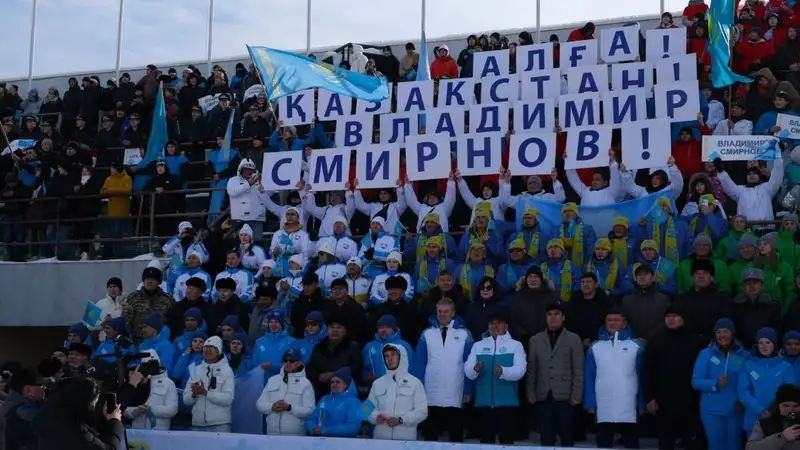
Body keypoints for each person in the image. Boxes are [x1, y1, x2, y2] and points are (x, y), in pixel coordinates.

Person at [642, 306, 707, 450]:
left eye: (675, 316)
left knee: (692, 441)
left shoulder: (696, 340)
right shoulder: (656, 341)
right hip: (664, 401)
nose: (671, 319)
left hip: (690, 401)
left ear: (683, 318)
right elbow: (647, 371)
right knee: (666, 441)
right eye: (668, 316)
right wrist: (649, 398)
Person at [412, 297, 474, 442]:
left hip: (455, 391)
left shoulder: (465, 334)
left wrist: (468, 390)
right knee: (430, 436)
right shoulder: (426, 333)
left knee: (455, 436)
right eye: (439, 311)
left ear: (453, 313)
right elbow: (419, 363)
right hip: (431, 391)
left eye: (446, 311)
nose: (442, 314)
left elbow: (470, 364)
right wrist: (418, 388)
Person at [584, 309, 644, 449]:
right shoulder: (595, 347)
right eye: (609, 320)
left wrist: (641, 403)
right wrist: (590, 402)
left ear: (624, 323)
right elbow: (589, 375)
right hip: (603, 405)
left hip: (629, 405)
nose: (612, 323)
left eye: (616, 320)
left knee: (631, 444)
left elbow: (642, 376)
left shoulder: (636, 346)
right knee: (604, 443)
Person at [464, 311, 527, 445]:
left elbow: (520, 370)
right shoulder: (478, 345)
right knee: (486, 442)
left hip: (506, 403)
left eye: (499, 323)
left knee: (506, 442)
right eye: (492, 323)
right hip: (484, 403)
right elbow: (468, 372)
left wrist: (504, 372)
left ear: (506, 325)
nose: (495, 326)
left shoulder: (515, 345)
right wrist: (475, 369)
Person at [526, 303, 584, 448]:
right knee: (546, 437)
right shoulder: (535, 340)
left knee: (566, 436)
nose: (553, 318)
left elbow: (578, 369)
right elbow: (532, 368)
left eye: (557, 314)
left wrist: (577, 394)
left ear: (563, 317)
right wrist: (530, 391)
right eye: (549, 314)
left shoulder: (573, 339)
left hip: (565, 395)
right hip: (543, 394)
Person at [692, 318, 747, 450]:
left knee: (734, 444)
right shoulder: (705, 354)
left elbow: (748, 382)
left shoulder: (743, 355)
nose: (722, 335)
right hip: (712, 410)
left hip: (735, 409)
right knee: (716, 444)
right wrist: (715, 384)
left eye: (726, 331)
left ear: (732, 333)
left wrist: (743, 401)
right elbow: (696, 381)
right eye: (718, 332)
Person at [31, 376, 124, 450]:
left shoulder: (50, 413)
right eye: (93, 403)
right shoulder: (74, 429)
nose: (94, 407)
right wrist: (114, 421)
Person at [739, 327, 796, 436]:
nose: (764, 346)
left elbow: (789, 394)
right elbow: (743, 392)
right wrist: (760, 411)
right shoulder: (747, 366)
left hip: (779, 420)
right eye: (761, 343)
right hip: (753, 420)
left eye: (768, 342)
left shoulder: (786, 367)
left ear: (774, 344)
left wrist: (774, 412)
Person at [366, 343, 428, 440]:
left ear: (402, 356)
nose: (389, 359)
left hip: (405, 442)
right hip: (380, 440)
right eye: (386, 356)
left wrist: (401, 420)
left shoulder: (415, 383)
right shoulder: (377, 383)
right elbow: (365, 409)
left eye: (393, 354)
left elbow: (422, 412)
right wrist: (376, 417)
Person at [256, 348, 316, 436]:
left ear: (299, 363)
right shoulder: (273, 380)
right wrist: (272, 406)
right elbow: (259, 403)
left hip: (295, 436)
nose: (288, 363)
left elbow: (310, 411)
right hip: (272, 434)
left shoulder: (306, 384)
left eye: (292, 361)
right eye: (285, 360)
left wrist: (289, 408)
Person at [183, 336, 235, 432]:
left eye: (212, 347)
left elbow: (228, 399)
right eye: (206, 347)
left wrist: (206, 393)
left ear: (218, 350)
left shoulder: (226, 370)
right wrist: (194, 394)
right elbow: (186, 400)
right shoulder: (196, 370)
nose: (208, 350)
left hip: (219, 424)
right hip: (197, 423)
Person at [305, 315, 363, 400]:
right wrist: (318, 376)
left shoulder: (352, 347)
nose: (334, 330)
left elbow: (357, 368)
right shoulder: (319, 347)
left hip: (345, 394)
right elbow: (310, 369)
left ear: (345, 330)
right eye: (332, 327)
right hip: (321, 393)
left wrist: (335, 374)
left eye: (339, 327)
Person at [123, 350, 178, 430]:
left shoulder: (168, 383)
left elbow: (172, 410)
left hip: (159, 432)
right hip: (137, 432)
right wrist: (135, 411)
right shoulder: (136, 381)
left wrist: (151, 409)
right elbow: (124, 408)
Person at [304, 367, 362, 437]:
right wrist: (312, 428)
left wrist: (325, 430)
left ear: (346, 385)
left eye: (338, 382)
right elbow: (311, 419)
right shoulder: (324, 399)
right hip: (320, 442)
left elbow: (354, 427)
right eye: (332, 382)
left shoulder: (355, 402)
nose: (334, 384)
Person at [732, 268, 783, 348]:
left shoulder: (772, 306)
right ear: (743, 287)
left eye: (755, 283)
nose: (751, 286)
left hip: (766, 351)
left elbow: (777, 331)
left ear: (762, 285)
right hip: (741, 351)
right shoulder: (735, 306)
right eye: (748, 283)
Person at [362, 315, 414, 387]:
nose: (384, 330)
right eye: (381, 327)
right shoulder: (369, 346)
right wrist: (370, 378)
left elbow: (412, 367)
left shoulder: (404, 345)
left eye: (387, 327)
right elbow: (363, 370)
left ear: (394, 329)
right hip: (376, 389)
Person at [122, 266, 174, 337]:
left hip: (159, 342)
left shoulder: (167, 299)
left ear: (159, 282)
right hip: (138, 342)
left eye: (153, 279)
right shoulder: (133, 298)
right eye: (147, 278)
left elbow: (173, 322)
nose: (149, 281)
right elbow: (125, 320)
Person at [746, 384, 800, 449]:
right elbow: (751, 448)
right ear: (778, 405)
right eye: (786, 405)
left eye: (796, 406)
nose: (791, 410)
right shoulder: (765, 424)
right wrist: (782, 438)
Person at [252, 310, 297, 380]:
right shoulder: (259, 342)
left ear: (282, 324)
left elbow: (294, 366)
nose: (273, 325)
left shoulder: (291, 342)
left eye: (276, 322)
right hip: (261, 384)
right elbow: (253, 364)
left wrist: (272, 366)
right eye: (271, 322)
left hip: (282, 383)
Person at [227, 158, 266, 238]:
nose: (249, 171)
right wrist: (248, 184)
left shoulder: (259, 181)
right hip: (238, 220)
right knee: (237, 244)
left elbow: (268, 196)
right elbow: (232, 192)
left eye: (251, 169)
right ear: (241, 170)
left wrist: (264, 187)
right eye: (246, 169)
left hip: (257, 219)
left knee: (257, 244)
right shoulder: (233, 180)